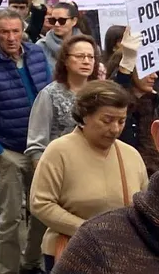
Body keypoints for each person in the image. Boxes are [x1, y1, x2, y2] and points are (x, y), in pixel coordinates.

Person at [30, 81, 148, 272]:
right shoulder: (59, 150)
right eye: (107, 120)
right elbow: (41, 203)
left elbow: (143, 205)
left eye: (121, 121)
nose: (115, 129)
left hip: (120, 256)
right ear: (85, 116)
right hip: (71, 251)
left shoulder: (131, 155)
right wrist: (89, 231)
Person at [0, 9, 52, 274]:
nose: (11, 37)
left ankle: (32, 263)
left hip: (41, 149)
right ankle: (9, 269)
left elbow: (50, 95)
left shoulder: (37, 54)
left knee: (42, 214)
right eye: (5, 32)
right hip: (10, 149)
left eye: (16, 31)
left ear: (23, 32)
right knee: (11, 218)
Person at [26, 35, 99, 164]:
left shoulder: (99, 93)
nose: (86, 61)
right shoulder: (49, 94)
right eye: (80, 56)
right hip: (60, 166)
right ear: (66, 60)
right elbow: (36, 147)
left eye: (91, 57)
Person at [111, 29, 159, 174]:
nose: (154, 76)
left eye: (154, 69)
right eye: (146, 68)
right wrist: (126, 64)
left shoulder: (154, 104)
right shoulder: (116, 102)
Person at [36, 2, 81, 69]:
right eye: (53, 20)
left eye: (62, 20)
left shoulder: (88, 46)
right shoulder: (40, 46)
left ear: (74, 21)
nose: (56, 24)